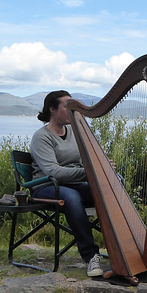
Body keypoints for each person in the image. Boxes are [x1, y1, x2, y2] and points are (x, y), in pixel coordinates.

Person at [30, 90, 103, 277]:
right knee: (72, 197)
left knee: (107, 190)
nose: (72, 110)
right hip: (45, 186)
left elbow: (85, 161)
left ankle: (123, 245)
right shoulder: (41, 137)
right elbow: (53, 172)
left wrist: (101, 168)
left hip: (72, 184)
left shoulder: (74, 131)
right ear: (53, 109)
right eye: (67, 106)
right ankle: (91, 256)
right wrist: (88, 173)